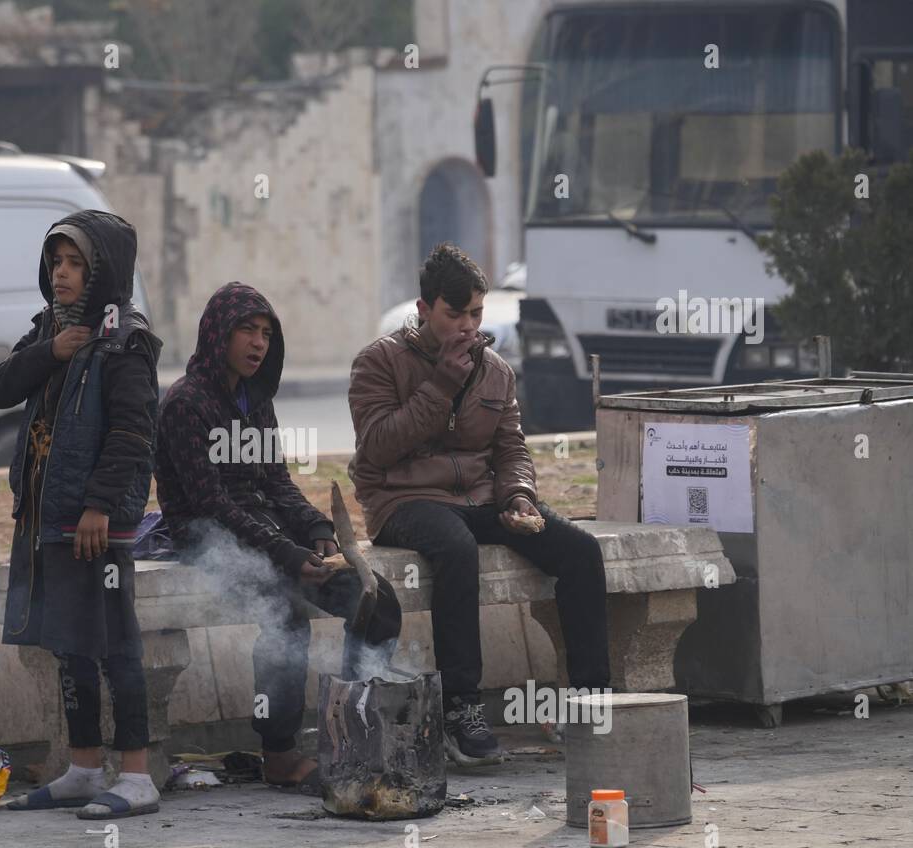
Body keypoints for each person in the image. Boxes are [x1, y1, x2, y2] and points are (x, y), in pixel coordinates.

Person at [348, 244, 611, 767]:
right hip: (403, 500)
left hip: (481, 497)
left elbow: (511, 447)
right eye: (455, 314)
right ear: (424, 310)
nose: (468, 327)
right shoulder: (378, 363)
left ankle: (588, 702)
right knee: (454, 546)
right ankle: (462, 709)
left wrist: (518, 497)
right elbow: (376, 449)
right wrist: (442, 382)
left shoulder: (495, 370)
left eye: (476, 314)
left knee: (579, 551)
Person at [155, 282, 401, 795]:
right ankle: (280, 753)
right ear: (218, 333)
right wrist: (287, 554)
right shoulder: (185, 404)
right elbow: (211, 504)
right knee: (284, 612)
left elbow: (275, 482)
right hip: (207, 538)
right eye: (247, 329)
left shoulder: (256, 399)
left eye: (266, 333)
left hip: (270, 532)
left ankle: (353, 735)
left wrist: (317, 532)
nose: (258, 343)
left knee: (375, 598)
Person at [0, 210, 164, 820]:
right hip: (47, 517)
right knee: (71, 645)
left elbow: (133, 434)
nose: (61, 275)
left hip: (95, 524)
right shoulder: (49, 328)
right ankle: (85, 767)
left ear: (102, 272)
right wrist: (50, 351)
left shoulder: (126, 340)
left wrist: (99, 507)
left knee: (115, 642)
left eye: (75, 264)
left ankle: (137, 774)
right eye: (56, 262)